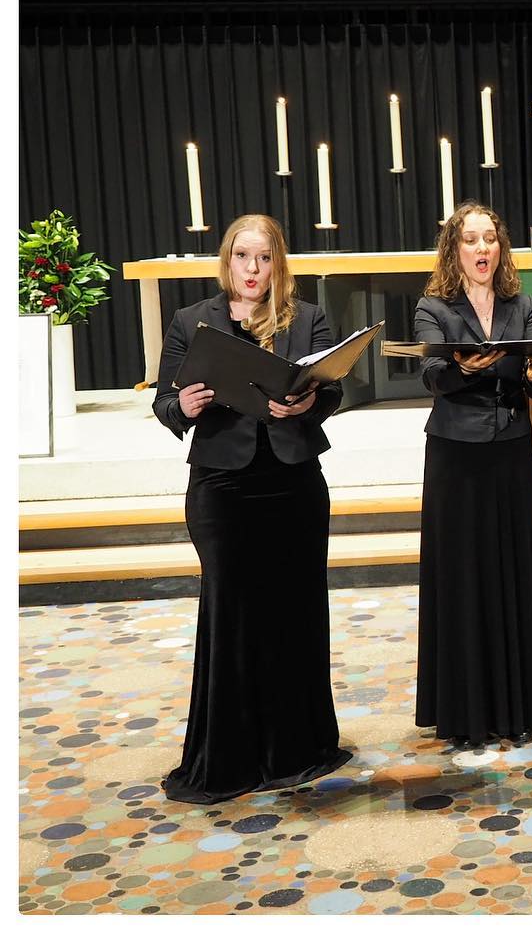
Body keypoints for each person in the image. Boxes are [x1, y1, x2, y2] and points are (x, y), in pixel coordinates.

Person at [152, 214, 351, 803]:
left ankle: (297, 746)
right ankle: (232, 754)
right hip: (223, 489)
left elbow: (333, 389)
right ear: (228, 259)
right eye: (243, 256)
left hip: (293, 484)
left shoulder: (306, 317)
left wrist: (309, 403)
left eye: (264, 258)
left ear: (277, 262)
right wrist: (185, 406)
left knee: (296, 610)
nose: (253, 269)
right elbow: (165, 403)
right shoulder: (192, 321)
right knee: (233, 614)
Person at [413, 201, 532, 746]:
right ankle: (464, 710)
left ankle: (521, 704)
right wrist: (462, 368)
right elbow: (432, 376)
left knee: (513, 570)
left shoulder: (524, 306)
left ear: (501, 249)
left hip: (510, 451)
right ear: (454, 249)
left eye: (490, 239)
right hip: (456, 455)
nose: (482, 248)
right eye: (471, 239)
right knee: (463, 575)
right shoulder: (433, 306)